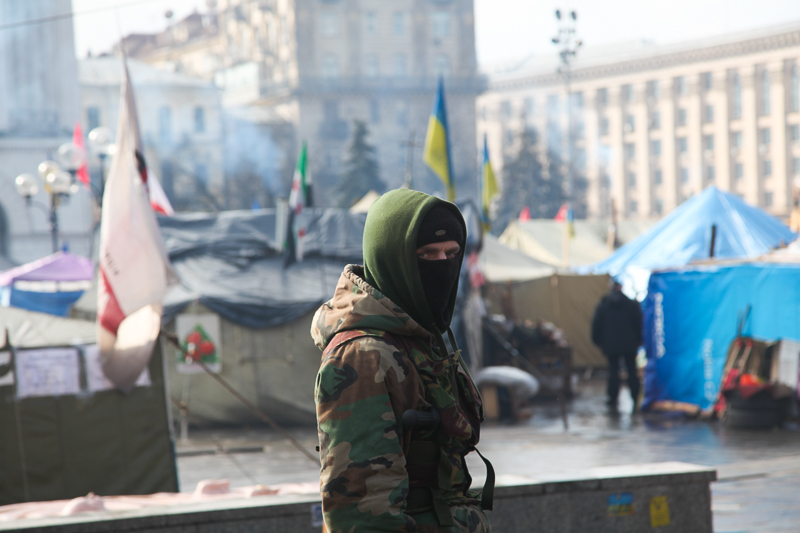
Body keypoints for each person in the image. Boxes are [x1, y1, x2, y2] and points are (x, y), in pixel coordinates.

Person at [312, 189, 493, 533]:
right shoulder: (363, 355)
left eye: (451, 253)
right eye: (427, 254)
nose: (443, 265)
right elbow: (362, 515)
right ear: (393, 260)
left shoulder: (420, 336)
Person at [591, 278, 643, 412]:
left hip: (610, 343)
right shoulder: (631, 304)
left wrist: (597, 341)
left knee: (613, 371)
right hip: (629, 343)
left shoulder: (603, 304)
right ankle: (635, 397)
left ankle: (612, 398)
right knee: (631, 370)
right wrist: (639, 340)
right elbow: (639, 324)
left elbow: (596, 324)